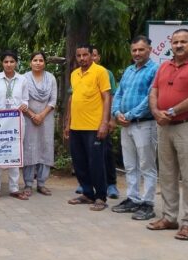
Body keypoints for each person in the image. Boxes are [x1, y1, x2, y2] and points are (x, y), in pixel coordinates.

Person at [147, 29, 188, 241]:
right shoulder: (164, 66)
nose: (178, 45)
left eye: (183, 41)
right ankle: (169, 217)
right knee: (166, 175)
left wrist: (172, 112)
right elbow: (154, 92)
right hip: (164, 126)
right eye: (175, 42)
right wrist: (157, 112)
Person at [110, 36, 159, 220]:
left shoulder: (155, 70)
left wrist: (129, 115)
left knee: (147, 165)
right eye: (134, 50)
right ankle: (132, 199)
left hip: (144, 124)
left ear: (149, 50)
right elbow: (119, 93)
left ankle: (148, 203)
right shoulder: (129, 70)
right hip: (126, 125)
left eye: (141, 50)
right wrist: (116, 113)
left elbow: (151, 98)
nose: (137, 53)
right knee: (130, 165)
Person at [64, 44, 111, 211]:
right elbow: (72, 99)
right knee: (79, 162)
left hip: (93, 126)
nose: (82, 58)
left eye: (85, 55)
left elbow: (106, 97)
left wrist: (104, 123)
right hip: (76, 126)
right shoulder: (74, 74)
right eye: (79, 56)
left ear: (92, 55)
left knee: (96, 163)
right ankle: (87, 193)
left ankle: (100, 196)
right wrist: (68, 122)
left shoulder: (100, 72)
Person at [0, 51, 29, 200]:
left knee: (15, 153)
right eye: (6, 62)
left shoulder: (22, 80)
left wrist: (24, 105)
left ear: (16, 63)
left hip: (16, 122)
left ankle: (14, 188)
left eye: (12, 61)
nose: (9, 64)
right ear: (2, 63)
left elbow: (25, 100)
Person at [22, 52, 57, 196]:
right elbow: (21, 100)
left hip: (46, 118)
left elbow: (53, 100)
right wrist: (32, 115)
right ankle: (28, 184)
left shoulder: (51, 78)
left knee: (45, 147)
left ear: (45, 63)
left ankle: (42, 183)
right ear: (30, 62)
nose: (38, 63)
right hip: (28, 118)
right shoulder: (24, 78)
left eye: (40, 60)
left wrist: (42, 115)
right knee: (29, 148)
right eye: (35, 60)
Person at [91, 46, 120, 199]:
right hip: (85, 123)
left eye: (95, 55)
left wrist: (111, 119)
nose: (92, 58)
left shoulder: (105, 73)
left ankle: (111, 184)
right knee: (89, 154)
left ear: (99, 57)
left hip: (102, 121)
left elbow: (112, 96)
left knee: (106, 152)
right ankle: (88, 184)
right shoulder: (79, 74)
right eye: (91, 55)